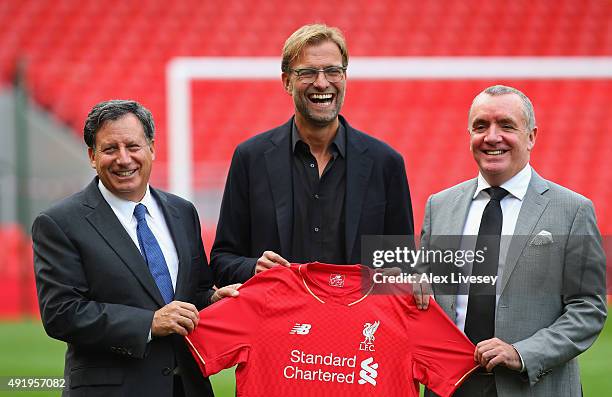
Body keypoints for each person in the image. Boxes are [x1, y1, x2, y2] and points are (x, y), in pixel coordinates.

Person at [32, 100, 239, 397]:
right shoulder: (60, 222)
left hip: (188, 387)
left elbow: (192, 294)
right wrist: (149, 324)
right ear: (92, 156)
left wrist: (213, 298)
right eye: (110, 149)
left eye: (133, 146)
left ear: (152, 148)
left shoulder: (182, 212)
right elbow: (61, 314)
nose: (124, 159)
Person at [415, 85, 607, 397]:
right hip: (451, 388)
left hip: (535, 387)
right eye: (480, 126)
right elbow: (424, 290)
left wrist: (523, 353)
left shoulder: (572, 211)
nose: (492, 137)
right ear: (469, 135)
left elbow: (587, 309)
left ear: (531, 136)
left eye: (506, 125)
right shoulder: (440, 206)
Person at [211, 23, 414, 286]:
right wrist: (253, 267)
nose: (321, 83)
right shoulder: (250, 158)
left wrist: (396, 277)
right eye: (307, 72)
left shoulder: (386, 163)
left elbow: (403, 268)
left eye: (333, 71)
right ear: (287, 82)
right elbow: (221, 261)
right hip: (277, 322)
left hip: (357, 324)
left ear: (344, 77)